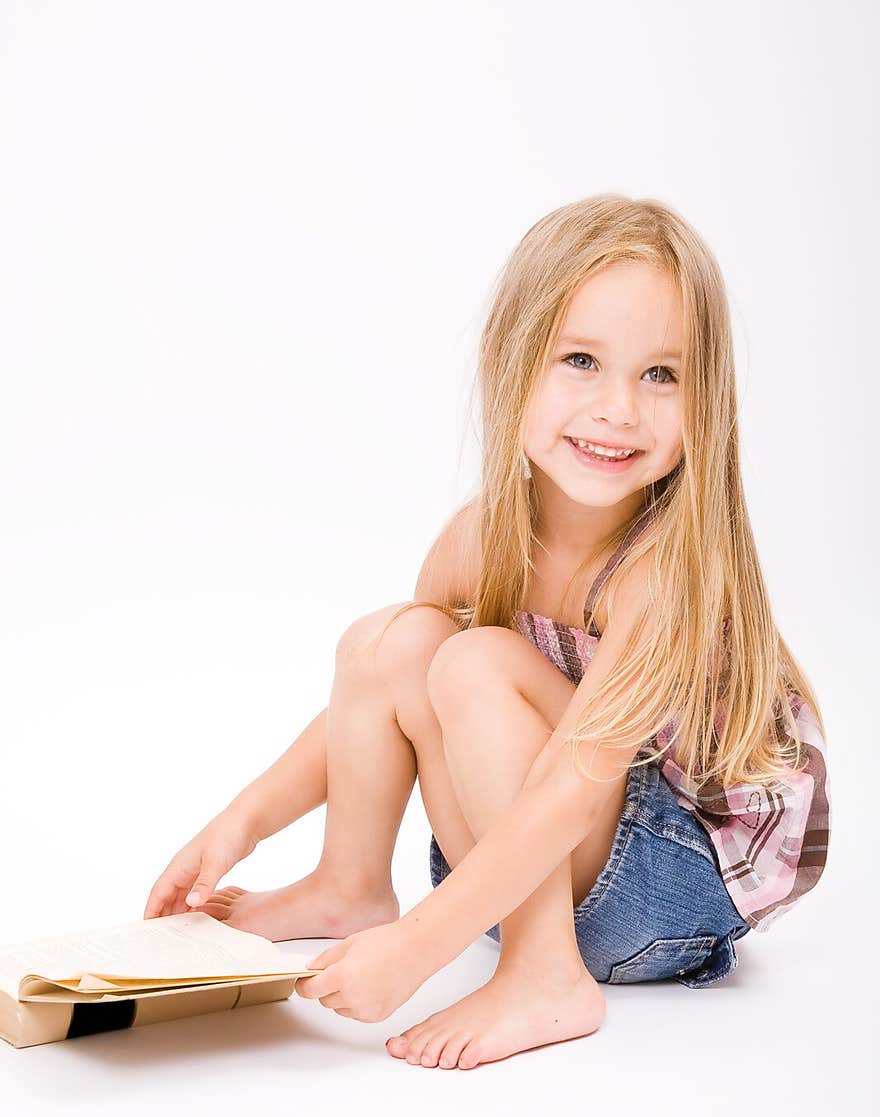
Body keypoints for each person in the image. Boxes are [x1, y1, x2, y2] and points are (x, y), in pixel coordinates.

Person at [143, 194, 831, 1070]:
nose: (620, 408)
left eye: (662, 374)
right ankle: (346, 886)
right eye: (582, 359)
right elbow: (374, 706)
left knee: (474, 663)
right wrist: (240, 821)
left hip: (670, 890)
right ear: (513, 365)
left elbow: (577, 789)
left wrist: (425, 945)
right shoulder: (482, 537)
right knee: (389, 640)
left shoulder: (662, 573)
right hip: (550, 861)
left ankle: (547, 974)